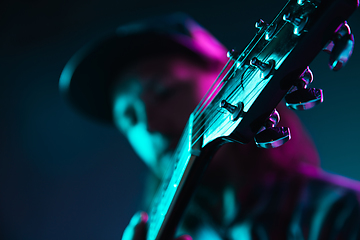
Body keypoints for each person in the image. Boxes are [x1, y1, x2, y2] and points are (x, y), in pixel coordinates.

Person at [59, 13, 360, 240]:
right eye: (129, 119)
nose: (150, 126)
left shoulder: (340, 213)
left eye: (164, 92)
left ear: (228, 83)